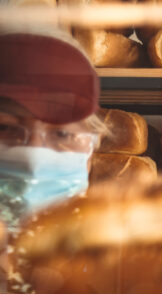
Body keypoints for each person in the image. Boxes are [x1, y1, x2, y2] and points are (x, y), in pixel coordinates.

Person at [0, 30, 100, 229]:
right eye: (6, 128)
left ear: (91, 152)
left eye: (61, 134)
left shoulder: (116, 256)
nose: (32, 160)